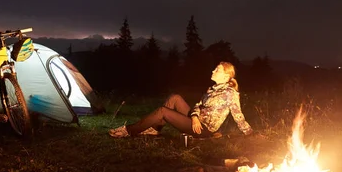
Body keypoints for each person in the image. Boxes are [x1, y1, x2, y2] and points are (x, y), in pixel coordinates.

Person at [109, 61, 254, 138]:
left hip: (204, 129)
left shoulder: (230, 93)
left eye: (217, 70)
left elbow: (238, 114)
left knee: (162, 111)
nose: (212, 71)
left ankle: (128, 131)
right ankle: (155, 129)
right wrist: (195, 116)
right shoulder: (212, 89)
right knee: (175, 97)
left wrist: (249, 133)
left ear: (226, 76)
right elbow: (198, 105)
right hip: (196, 121)